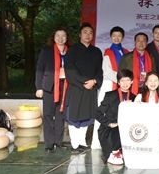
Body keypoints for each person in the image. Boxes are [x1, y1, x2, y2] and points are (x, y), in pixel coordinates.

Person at [65, 23, 103, 153]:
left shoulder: (96, 51)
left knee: (87, 117)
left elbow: (99, 71)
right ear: (80, 34)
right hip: (77, 88)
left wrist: (94, 81)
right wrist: (85, 82)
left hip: (91, 88)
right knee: (74, 117)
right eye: (85, 32)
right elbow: (70, 70)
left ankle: (81, 142)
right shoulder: (72, 50)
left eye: (90, 33)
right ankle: (75, 144)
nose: (88, 35)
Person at [35, 27, 69, 152]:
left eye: (63, 35)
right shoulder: (46, 51)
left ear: (67, 38)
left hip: (65, 86)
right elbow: (39, 69)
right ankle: (49, 144)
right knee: (48, 115)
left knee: (61, 115)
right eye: (57, 35)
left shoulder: (70, 51)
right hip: (49, 86)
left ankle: (59, 142)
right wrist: (39, 87)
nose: (60, 38)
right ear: (53, 37)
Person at [94, 26, 127, 149]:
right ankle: (98, 142)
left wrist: (123, 82)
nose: (116, 38)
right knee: (105, 111)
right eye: (114, 36)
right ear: (111, 37)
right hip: (110, 84)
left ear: (122, 37)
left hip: (122, 84)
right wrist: (121, 80)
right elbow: (106, 71)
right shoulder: (107, 52)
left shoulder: (126, 52)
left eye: (119, 36)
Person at [95, 69, 135, 165]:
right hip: (109, 129)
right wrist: (109, 123)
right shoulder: (110, 95)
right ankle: (114, 152)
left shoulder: (134, 98)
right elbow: (97, 113)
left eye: (127, 80)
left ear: (132, 81)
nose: (125, 83)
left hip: (127, 130)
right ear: (118, 82)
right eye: (122, 80)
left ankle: (118, 152)